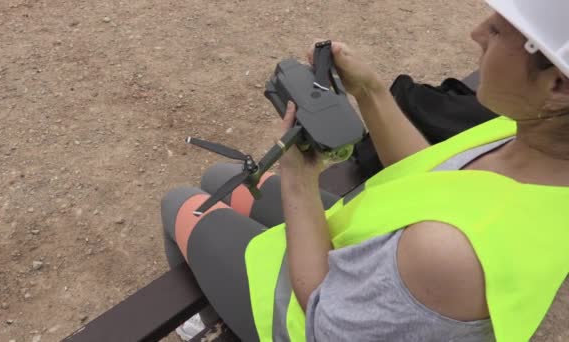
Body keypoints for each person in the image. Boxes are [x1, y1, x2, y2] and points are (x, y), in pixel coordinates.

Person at [162, 0, 569, 341]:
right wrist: (369, 90)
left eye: (498, 31)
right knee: (221, 181)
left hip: (315, 317)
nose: (477, 34)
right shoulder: (530, 139)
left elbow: (324, 315)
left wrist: (300, 182)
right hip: (376, 267)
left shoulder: (449, 253)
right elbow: (440, 177)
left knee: (181, 204)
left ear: (556, 87)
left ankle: (204, 321)